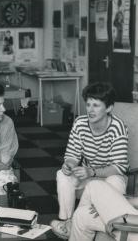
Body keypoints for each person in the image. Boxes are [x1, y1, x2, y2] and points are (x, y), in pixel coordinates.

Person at [51, 82, 129, 240]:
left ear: (108, 108)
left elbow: (119, 166)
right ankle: (67, 221)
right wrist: (70, 164)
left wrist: (93, 171)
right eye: (88, 104)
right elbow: (72, 153)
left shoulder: (117, 127)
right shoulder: (80, 123)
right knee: (62, 174)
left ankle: (75, 225)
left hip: (109, 178)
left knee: (115, 181)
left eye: (96, 105)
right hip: (88, 176)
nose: (90, 110)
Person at [68, 180, 138, 241]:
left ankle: (70, 226)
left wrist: (125, 218)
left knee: (95, 185)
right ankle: (71, 226)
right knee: (82, 214)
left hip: (133, 227)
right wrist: (101, 204)